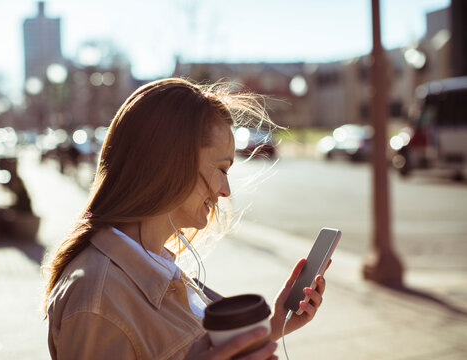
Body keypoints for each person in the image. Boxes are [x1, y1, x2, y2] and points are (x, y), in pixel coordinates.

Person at [42, 78, 328, 359]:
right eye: (221, 169)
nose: (226, 191)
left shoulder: (152, 262)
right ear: (171, 162)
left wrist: (274, 324)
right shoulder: (98, 299)